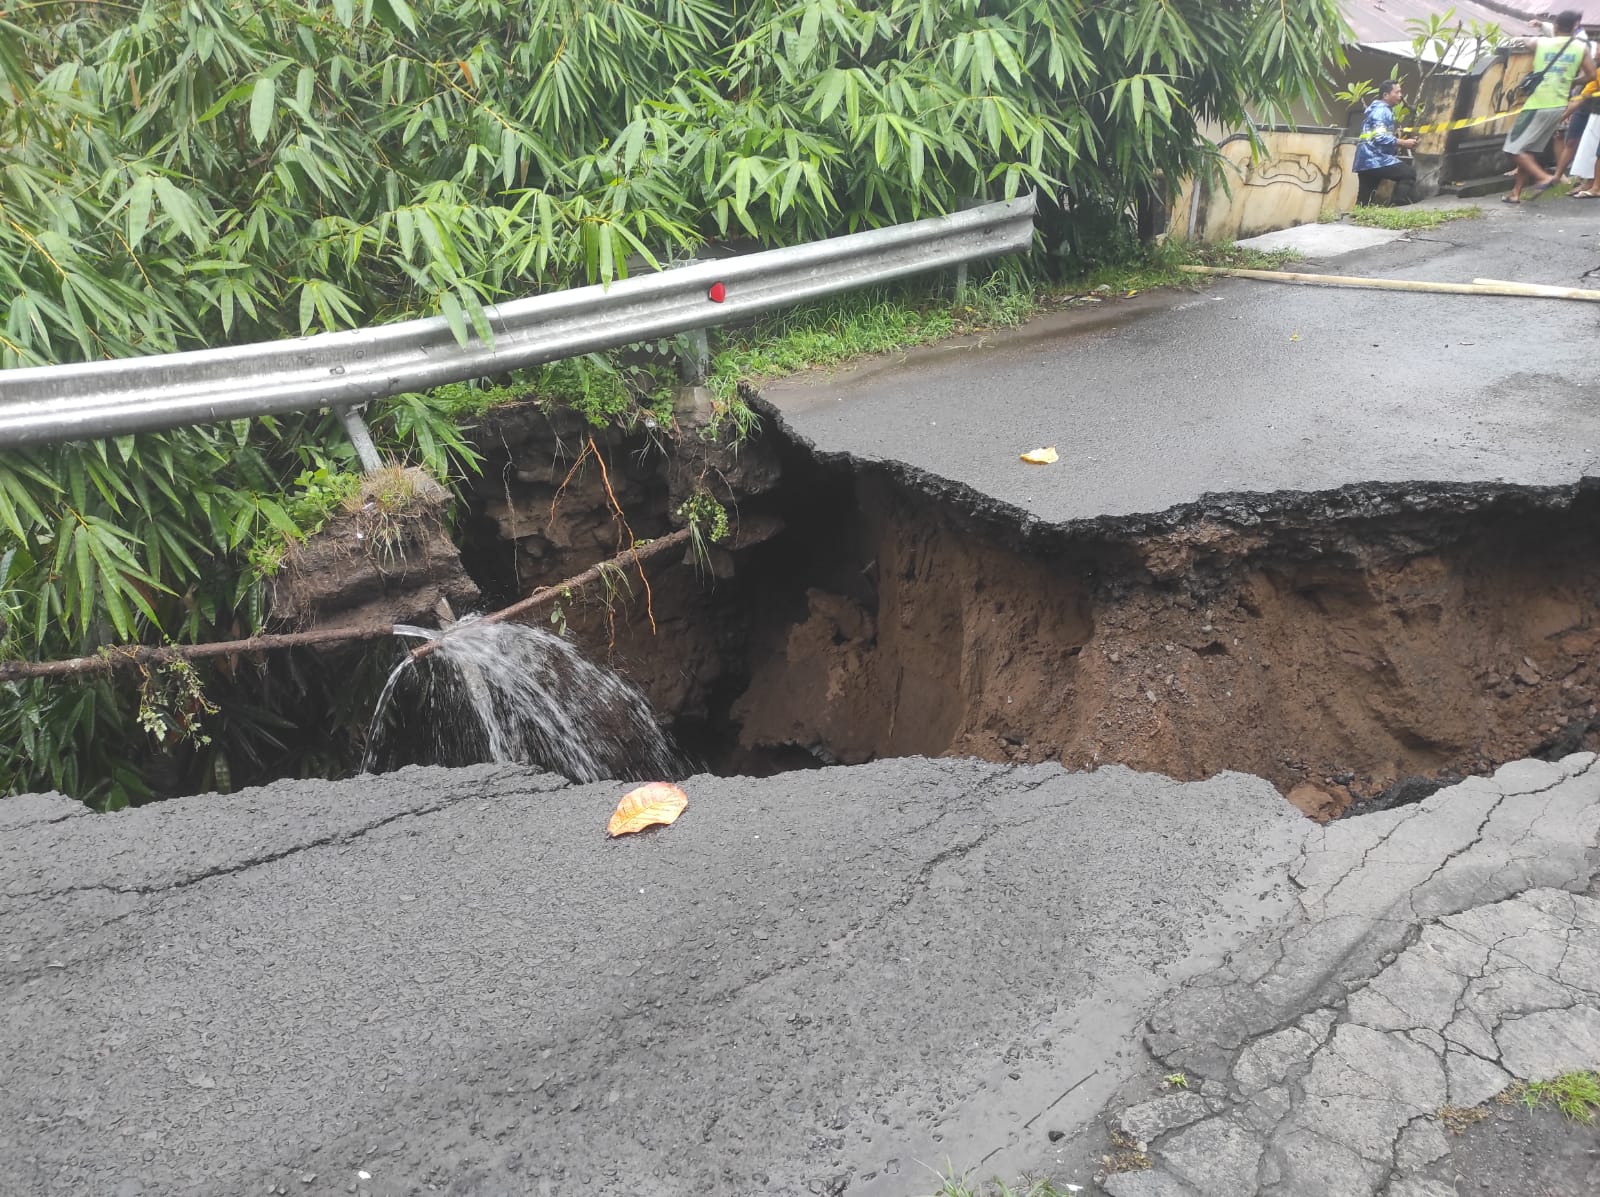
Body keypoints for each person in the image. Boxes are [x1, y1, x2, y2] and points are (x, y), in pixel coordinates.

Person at [1503, 10, 1596, 203]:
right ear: (1574, 27)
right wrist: (1571, 80)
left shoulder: (1542, 43)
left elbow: (1524, 41)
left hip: (1537, 104)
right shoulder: (1580, 47)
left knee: (1513, 149)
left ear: (1555, 26)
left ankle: (1544, 177)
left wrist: (1522, 36)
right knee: (1527, 150)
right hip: (1559, 106)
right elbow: (1591, 75)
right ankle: (1515, 193)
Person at [1353, 80, 1418, 206]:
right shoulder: (1382, 111)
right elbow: (1380, 137)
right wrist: (1404, 143)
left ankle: (1353, 222)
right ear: (1385, 95)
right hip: (1376, 159)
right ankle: (1397, 205)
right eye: (1397, 92)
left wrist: (1402, 141)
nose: (1401, 95)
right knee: (1409, 174)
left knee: (1364, 199)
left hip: (1365, 160)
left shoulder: (1375, 109)